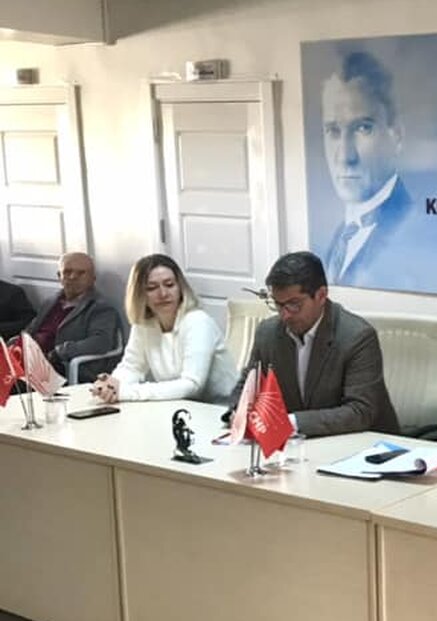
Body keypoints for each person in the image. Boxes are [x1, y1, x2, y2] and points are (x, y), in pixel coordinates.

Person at [228, 251, 398, 437]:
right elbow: (248, 386)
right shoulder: (268, 333)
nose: (285, 315)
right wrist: (239, 412)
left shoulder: (357, 337)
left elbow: (360, 412)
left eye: (294, 304)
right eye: (278, 304)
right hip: (298, 446)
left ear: (321, 295)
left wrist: (290, 423)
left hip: (363, 444)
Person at [319, 50, 414, 287]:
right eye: (333, 131)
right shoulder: (340, 234)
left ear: (397, 135)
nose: (345, 156)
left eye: (363, 128)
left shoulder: (413, 229)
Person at [89, 254, 238, 404]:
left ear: (181, 288)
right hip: (179, 405)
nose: (163, 294)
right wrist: (111, 386)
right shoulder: (143, 324)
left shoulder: (198, 321)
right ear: (140, 294)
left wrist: (126, 392)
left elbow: (192, 385)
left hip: (221, 408)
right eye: (152, 288)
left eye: (169, 285)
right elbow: (132, 367)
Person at [25, 252, 124, 382]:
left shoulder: (100, 307)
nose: (73, 277)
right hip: (31, 360)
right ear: (59, 276)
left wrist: (60, 352)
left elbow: (101, 342)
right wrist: (17, 343)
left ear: (93, 278)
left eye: (81, 273)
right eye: (67, 272)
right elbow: (32, 329)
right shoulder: (51, 302)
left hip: (61, 368)